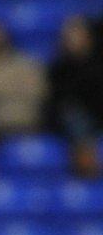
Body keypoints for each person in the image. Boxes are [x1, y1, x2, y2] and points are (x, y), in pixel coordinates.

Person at [47, 15, 103, 177]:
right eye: (68, 37)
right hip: (79, 120)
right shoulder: (59, 68)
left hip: (98, 111)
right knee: (76, 121)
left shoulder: (98, 63)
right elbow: (57, 100)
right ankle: (86, 171)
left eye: (77, 36)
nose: (73, 41)